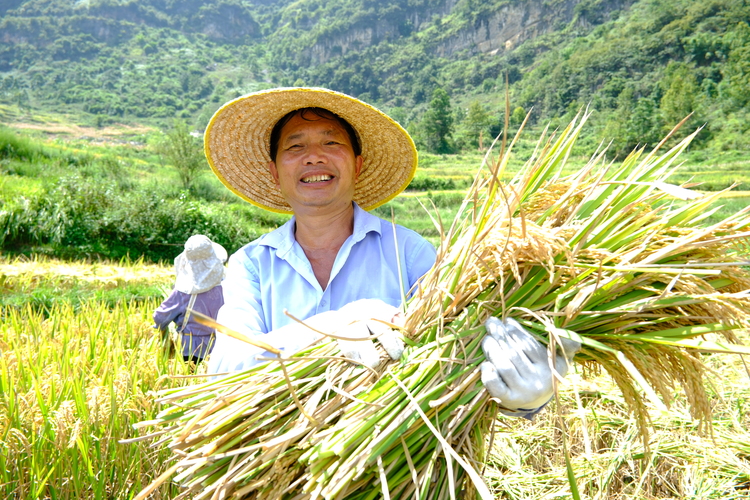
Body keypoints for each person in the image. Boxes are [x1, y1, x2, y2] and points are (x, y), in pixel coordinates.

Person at [203, 87, 578, 417]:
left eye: (331, 143)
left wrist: (526, 398)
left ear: (358, 164)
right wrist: (330, 330)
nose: (314, 156)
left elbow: (460, 359)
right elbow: (226, 367)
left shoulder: (410, 253)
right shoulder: (251, 263)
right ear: (273, 171)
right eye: (295, 146)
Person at [153, 234, 227, 364]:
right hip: (221, 347)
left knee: (191, 380)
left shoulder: (184, 292)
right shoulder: (227, 284)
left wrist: (163, 330)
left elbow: (160, 317)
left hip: (191, 349)